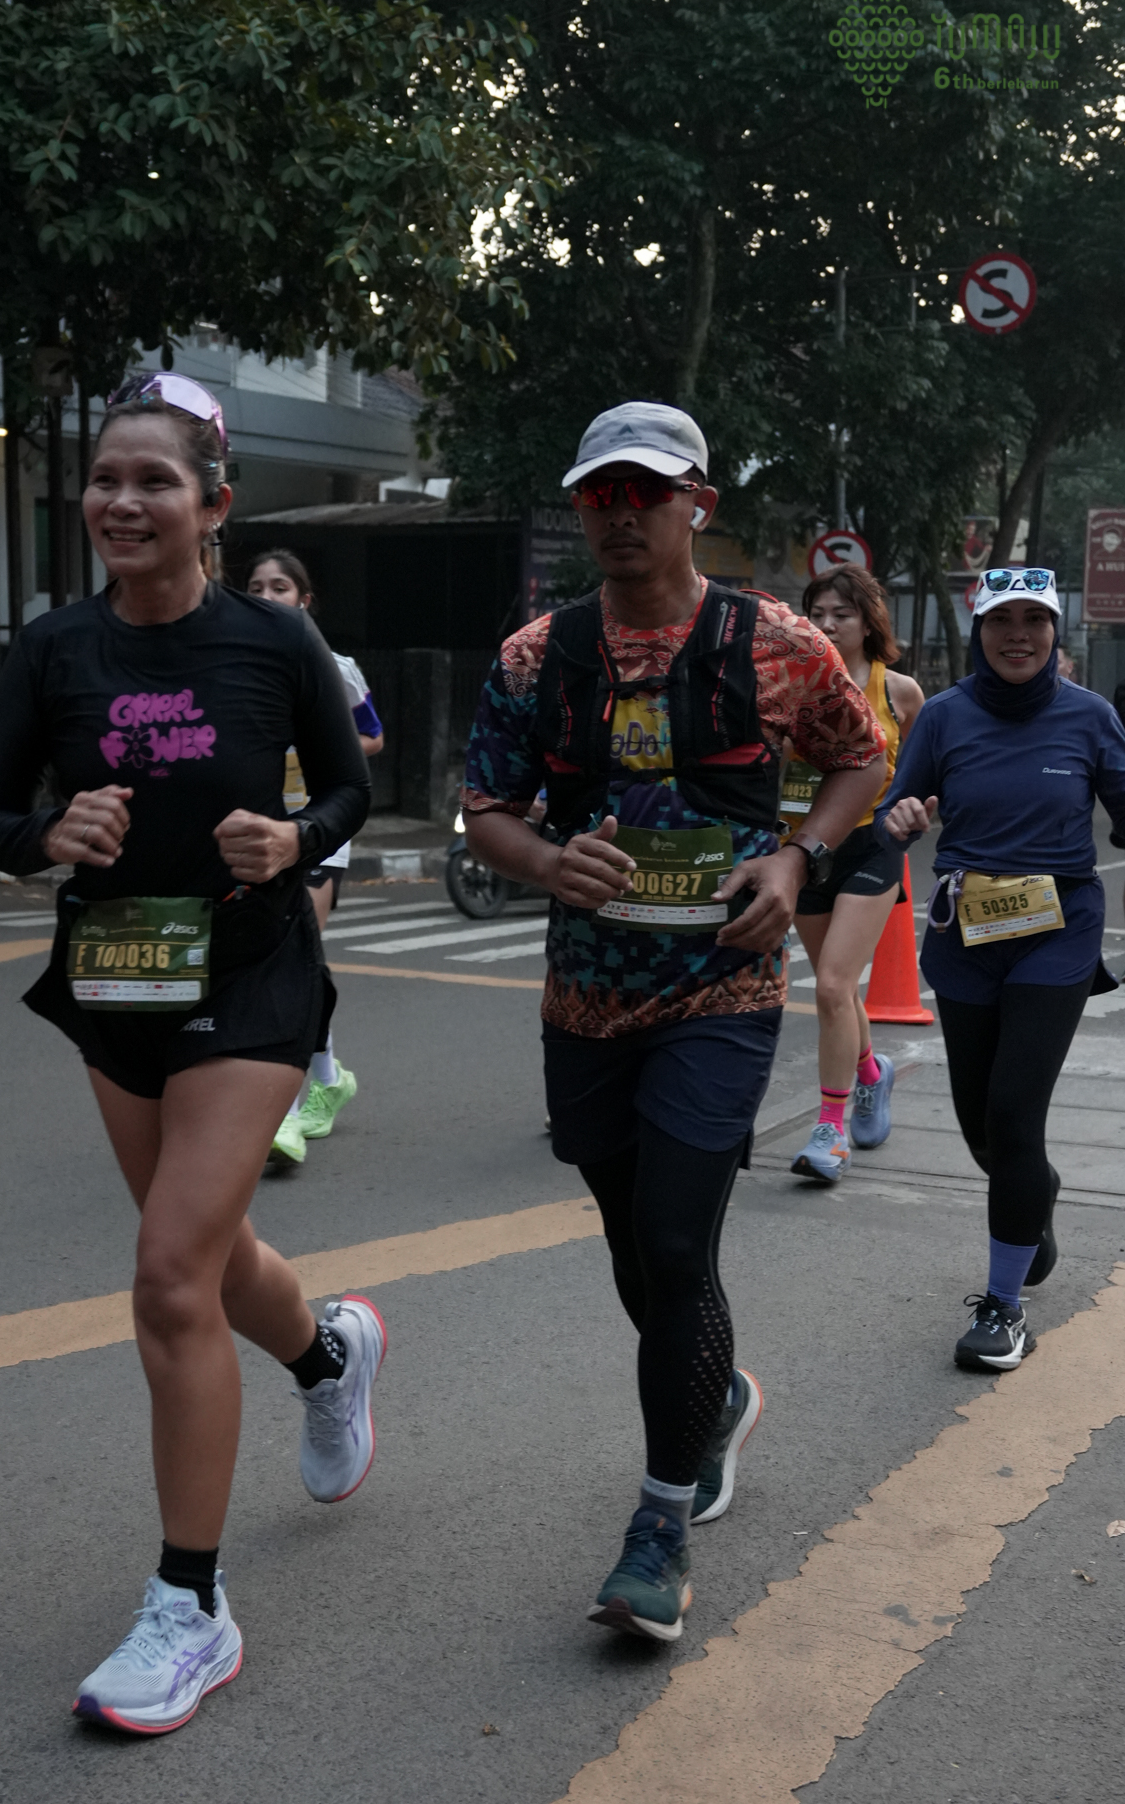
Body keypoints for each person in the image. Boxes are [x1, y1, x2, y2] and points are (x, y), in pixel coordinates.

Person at [0, 371, 386, 1734]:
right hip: (116, 978)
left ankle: (190, 1607)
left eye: (155, 480)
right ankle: (329, 1358)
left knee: (165, 1275)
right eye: (106, 477)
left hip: (252, 974)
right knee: (203, 1248)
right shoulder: (53, 650)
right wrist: (49, 837)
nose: (122, 500)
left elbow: (351, 787)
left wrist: (294, 840)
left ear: (214, 507)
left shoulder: (274, 641)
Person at [462, 401, 887, 1643]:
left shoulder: (776, 642)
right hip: (584, 996)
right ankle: (715, 1399)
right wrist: (548, 863)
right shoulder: (535, 657)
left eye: (644, 493)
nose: (620, 516)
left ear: (695, 502)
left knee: (674, 1237)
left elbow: (860, 758)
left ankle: (656, 1529)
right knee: (632, 1254)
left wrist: (797, 858)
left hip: (720, 989)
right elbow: (484, 809)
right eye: (599, 495)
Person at [879, 568, 1125, 1372]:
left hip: (1058, 931)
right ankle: (1031, 1196)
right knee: (983, 1128)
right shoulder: (945, 716)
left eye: (1034, 620)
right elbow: (893, 811)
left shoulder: (1091, 716)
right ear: (979, 630)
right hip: (966, 936)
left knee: (1015, 1114)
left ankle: (1003, 1307)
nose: (1018, 635)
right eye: (1001, 621)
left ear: (1055, 631)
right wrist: (900, 818)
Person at [247, 550, 384, 1167]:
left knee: (292, 958)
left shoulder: (335, 668)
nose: (267, 596)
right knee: (274, 964)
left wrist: (321, 740)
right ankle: (327, 1078)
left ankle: (285, 1110)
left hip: (318, 829)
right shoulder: (234, 668)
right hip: (253, 832)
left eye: (280, 587)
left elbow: (373, 737)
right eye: (256, 587)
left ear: (304, 600)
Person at [786, 568, 924, 1180]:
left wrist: (915, 811)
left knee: (832, 986)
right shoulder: (789, 685)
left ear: (868, 622)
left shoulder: (899, 691)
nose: (827, 624)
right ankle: (872, 1072)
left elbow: (926, 768)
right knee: (835, 990)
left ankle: (829, 1131)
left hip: (873, 846)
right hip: (804, 848)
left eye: (840, 614)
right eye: (816, 613)